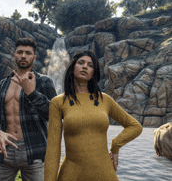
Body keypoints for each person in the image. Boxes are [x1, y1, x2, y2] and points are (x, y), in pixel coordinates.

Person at [44, 50, 143, 181]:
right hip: (71, 174)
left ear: (93, 73)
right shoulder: (58, 102)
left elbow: (135, 126)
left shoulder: (105, 100)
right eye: (81, 63)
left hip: (105, 173)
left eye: (90, 65)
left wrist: (116, 145)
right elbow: (53, 150)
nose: (85, 66)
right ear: (72, 67)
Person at [0, 38, 57, 181]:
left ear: (34, 57)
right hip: (3, 151)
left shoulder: (44, 82)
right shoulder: (3, 84)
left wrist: (32, 94)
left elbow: (55, 114)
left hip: (35, 152)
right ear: (14, 55)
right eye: (20, 52)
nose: (23, 56)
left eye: (28, 53)